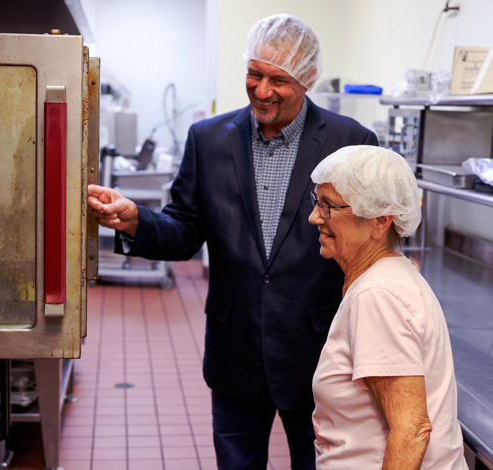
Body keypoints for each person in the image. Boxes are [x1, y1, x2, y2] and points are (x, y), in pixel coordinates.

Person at [88, 13, 378, 470]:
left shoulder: (351, 144)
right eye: (254, 74)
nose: (262, 91)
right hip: (234, 349)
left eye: (278, 80)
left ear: (308, 79)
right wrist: (133, 221)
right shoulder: (208, 140)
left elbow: (368, 248)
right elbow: (184, 231)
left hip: (319, 353)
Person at [309, 146, 467, 470]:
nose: (315, 217)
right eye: (316, 202)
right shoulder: (383, 277)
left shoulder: (378, 295)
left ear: (380, 221)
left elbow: (411, 431)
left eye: (329, 207)